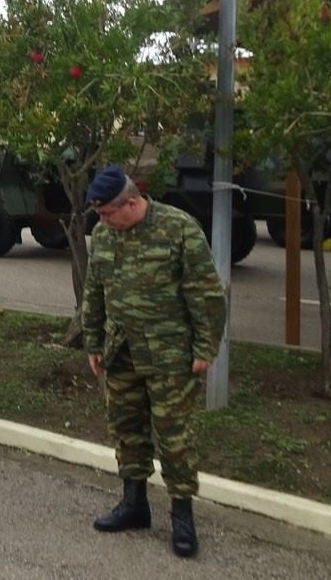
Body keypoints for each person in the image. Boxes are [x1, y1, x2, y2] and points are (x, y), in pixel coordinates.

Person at [81, 165, 226, 559]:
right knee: (127, 429)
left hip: (169, 355)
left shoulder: (179, 228)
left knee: (174, 438)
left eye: (108, 213)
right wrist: (93, 341)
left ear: (131, 203)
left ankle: (182, 516)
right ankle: (134, 504)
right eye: (99, 215)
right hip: (121, 351)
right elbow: (94, 291)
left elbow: (207, 294)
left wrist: (205, 347)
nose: (103, 222)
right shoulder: (103, 234)